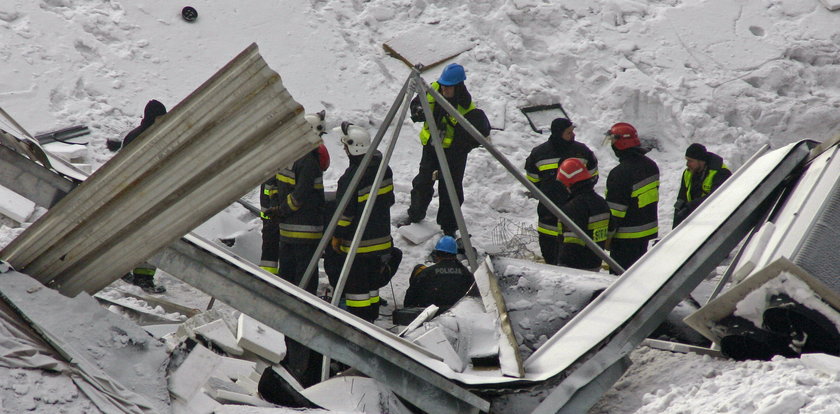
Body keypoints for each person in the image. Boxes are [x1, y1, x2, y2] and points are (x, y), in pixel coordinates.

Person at [399, 63, 491, 236]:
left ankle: (449, 227)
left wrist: (462, 144)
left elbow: (480, 133)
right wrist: (418, 111)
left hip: (453, 155)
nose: (444, 89)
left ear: (458, 86)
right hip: (431, 148)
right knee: (422, 183)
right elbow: (417, 105)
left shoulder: (466, 109)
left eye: (448, 87)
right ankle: (415, 214)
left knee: (450, 190)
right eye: (442, 85)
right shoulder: (433, 90)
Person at [330, 122, 398, 323]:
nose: (343, 149)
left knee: (357, 290)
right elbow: (390, 200)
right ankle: (372, 318)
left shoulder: (352, 177)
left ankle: (359, 323)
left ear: (353, 147)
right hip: (381, 241)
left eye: (345, 146)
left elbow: (346, 214)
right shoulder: (383, 169)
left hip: (358, 246)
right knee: (372, 286)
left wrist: (337, 236)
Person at [261, 112, 329, 293]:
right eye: (319, 135)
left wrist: (276, 210)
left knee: (287, 277)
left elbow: (276, 186)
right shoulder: (308, 161)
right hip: (306, 232)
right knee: (305, 280)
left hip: (287, 231)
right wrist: (280, 210)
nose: (320, 140)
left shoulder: (288, 156)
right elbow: (299, 197)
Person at [524, 118, 599, 265]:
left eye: (573, 131)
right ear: (558, 133)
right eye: (569, 132)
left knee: (574, 259)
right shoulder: (539, 153)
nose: (573, 135)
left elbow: (593, 175)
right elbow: (532, 180)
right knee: (550, 257)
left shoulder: (582, 152)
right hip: (549, 216)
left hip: (577, 214)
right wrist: (549, 193)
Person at [119, 99, 168, 293]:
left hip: (134, 194)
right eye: (161, 117)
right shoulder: (151, 138)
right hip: (147, 195)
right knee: (150, 236)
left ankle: (125, 270)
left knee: (134, 235)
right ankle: (143, 278)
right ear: (154, 117)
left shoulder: (134, 135)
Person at [603, 123, 659, 271]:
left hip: (625, 237)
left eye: (613, 142)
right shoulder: (651, 165)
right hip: (645, 233)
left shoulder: (619, 173)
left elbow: (615, 212)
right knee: (637, 273)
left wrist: (607, 237)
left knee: (620, 278)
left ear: (621, 143)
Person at [555, 158, 611, 271]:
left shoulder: (572, 207)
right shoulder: (601, 202)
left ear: (570, 183)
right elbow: (611, 230)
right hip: (595, 264)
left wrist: (561, 268)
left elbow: (571, 246)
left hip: (575, 270)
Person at [403, 235, 475, 314]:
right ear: (455, 254)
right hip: (458, 313)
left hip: (430, 314)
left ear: (437, 254)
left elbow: (408, 302)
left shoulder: (426, 273)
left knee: (418, 268)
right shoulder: (466, 273)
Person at [673, 143, 732, 227]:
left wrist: (689, 207)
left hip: (715, 220)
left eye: (690, 161)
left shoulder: (721, 173)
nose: (687, 164)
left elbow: (716, 198)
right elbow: (681, 198)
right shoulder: (688, 173)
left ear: (701, 161)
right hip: (695, 218)